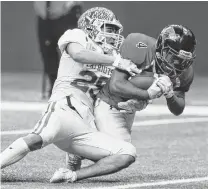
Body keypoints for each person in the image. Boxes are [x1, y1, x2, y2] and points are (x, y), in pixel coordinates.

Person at [0, 7, 141, 183]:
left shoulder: (115, 56)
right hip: (65, 107)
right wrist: (116, 61)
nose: (113, 34)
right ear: (91, 26)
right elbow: (78, 54)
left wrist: (140, 97)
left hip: (87, 124)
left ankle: (71, 174)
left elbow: (118, 91)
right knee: (36, 139)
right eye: (108, 28)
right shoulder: (78, 36)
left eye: (114, 29)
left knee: (127, 153)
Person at [50, 24, 197, 182]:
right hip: (108, 101)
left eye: (183, 61)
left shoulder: (185, 72)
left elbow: (178, 108)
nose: (177, 64)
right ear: (161, 48)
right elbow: (116, 85)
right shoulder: (139, 44)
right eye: (172, 56)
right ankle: (76, 152)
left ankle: (78, 156)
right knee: (117, 154)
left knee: (123, 154)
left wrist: (169, 95)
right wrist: (147, 94)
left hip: (128, 109)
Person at [34, 1, 83, 98]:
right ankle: (54, 85)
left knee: (71, 51)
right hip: (44, 16)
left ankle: (71, 87)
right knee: (47, 52)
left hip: (66, 14)